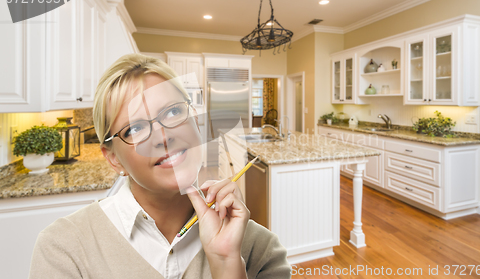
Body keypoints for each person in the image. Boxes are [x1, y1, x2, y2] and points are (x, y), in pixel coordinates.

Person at [28, 53, 291, 279]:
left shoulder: (261, 250)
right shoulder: (63, 250)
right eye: (135, 128)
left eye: (173, 112)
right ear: (113, 158)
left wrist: (226, 266)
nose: (164, 137)